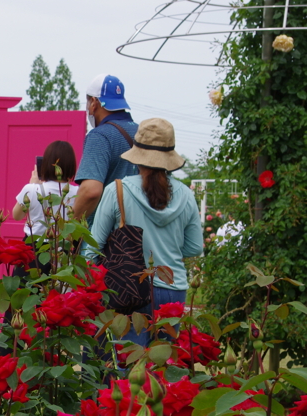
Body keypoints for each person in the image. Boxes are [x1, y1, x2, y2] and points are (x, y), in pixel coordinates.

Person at [85, 118, 203, 347]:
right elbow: (195, 247)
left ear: (138, 155)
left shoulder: (117, 190)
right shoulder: (186, 195)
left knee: (130, 367)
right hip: (173, 291)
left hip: (127, 288)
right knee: (163, 368)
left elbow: (93, 247)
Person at [73, 74, 139, 222]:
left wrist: (68, 229)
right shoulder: (142, 132)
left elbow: (91, 191)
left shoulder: (100, 136)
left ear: (94, 102)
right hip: (139, 233)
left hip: (106, 235)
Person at [12, 140, 78, 240]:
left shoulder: (31, 189)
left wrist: (32, 185)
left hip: (33, 245)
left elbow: (17, 216)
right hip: (62, 247)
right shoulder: (78, 192)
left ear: (45, 163)